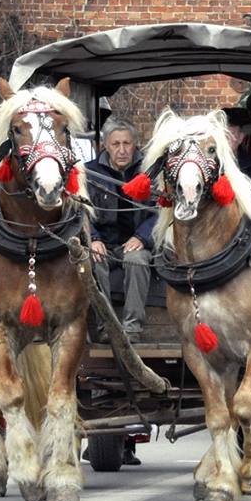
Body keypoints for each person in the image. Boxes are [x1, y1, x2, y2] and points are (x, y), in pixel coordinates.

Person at [85, 117, 157, 342]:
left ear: (135, 144)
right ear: (105, 145)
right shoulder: (90, 172)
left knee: (137, 260)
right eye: (116, 144)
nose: (122, 150)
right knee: (94, 261)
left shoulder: (149, 171)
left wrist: (142, 237)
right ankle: (106, 327)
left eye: (127, 143)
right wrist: (93, 238)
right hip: (103, 243)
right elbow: (81, 211)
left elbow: (160, 211)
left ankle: (131, 329)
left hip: (135, 243)